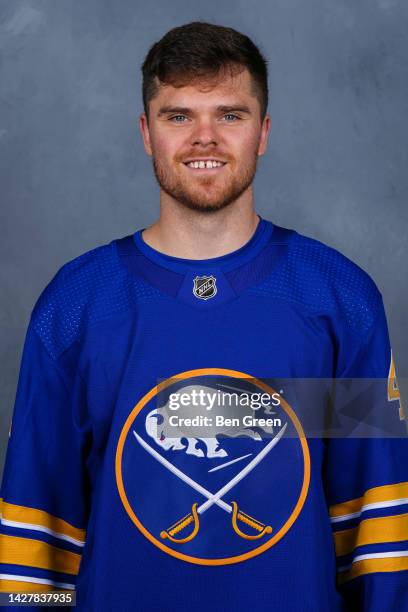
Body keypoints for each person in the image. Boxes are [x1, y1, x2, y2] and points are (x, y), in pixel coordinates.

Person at [0, 21, 407, 612]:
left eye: (231, 115)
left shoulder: (340, 298)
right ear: (147, 133)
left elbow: (379, 528)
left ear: (263, 132)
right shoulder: (76, 306)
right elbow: (37, 539)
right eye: (179, 116)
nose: (205, 138)